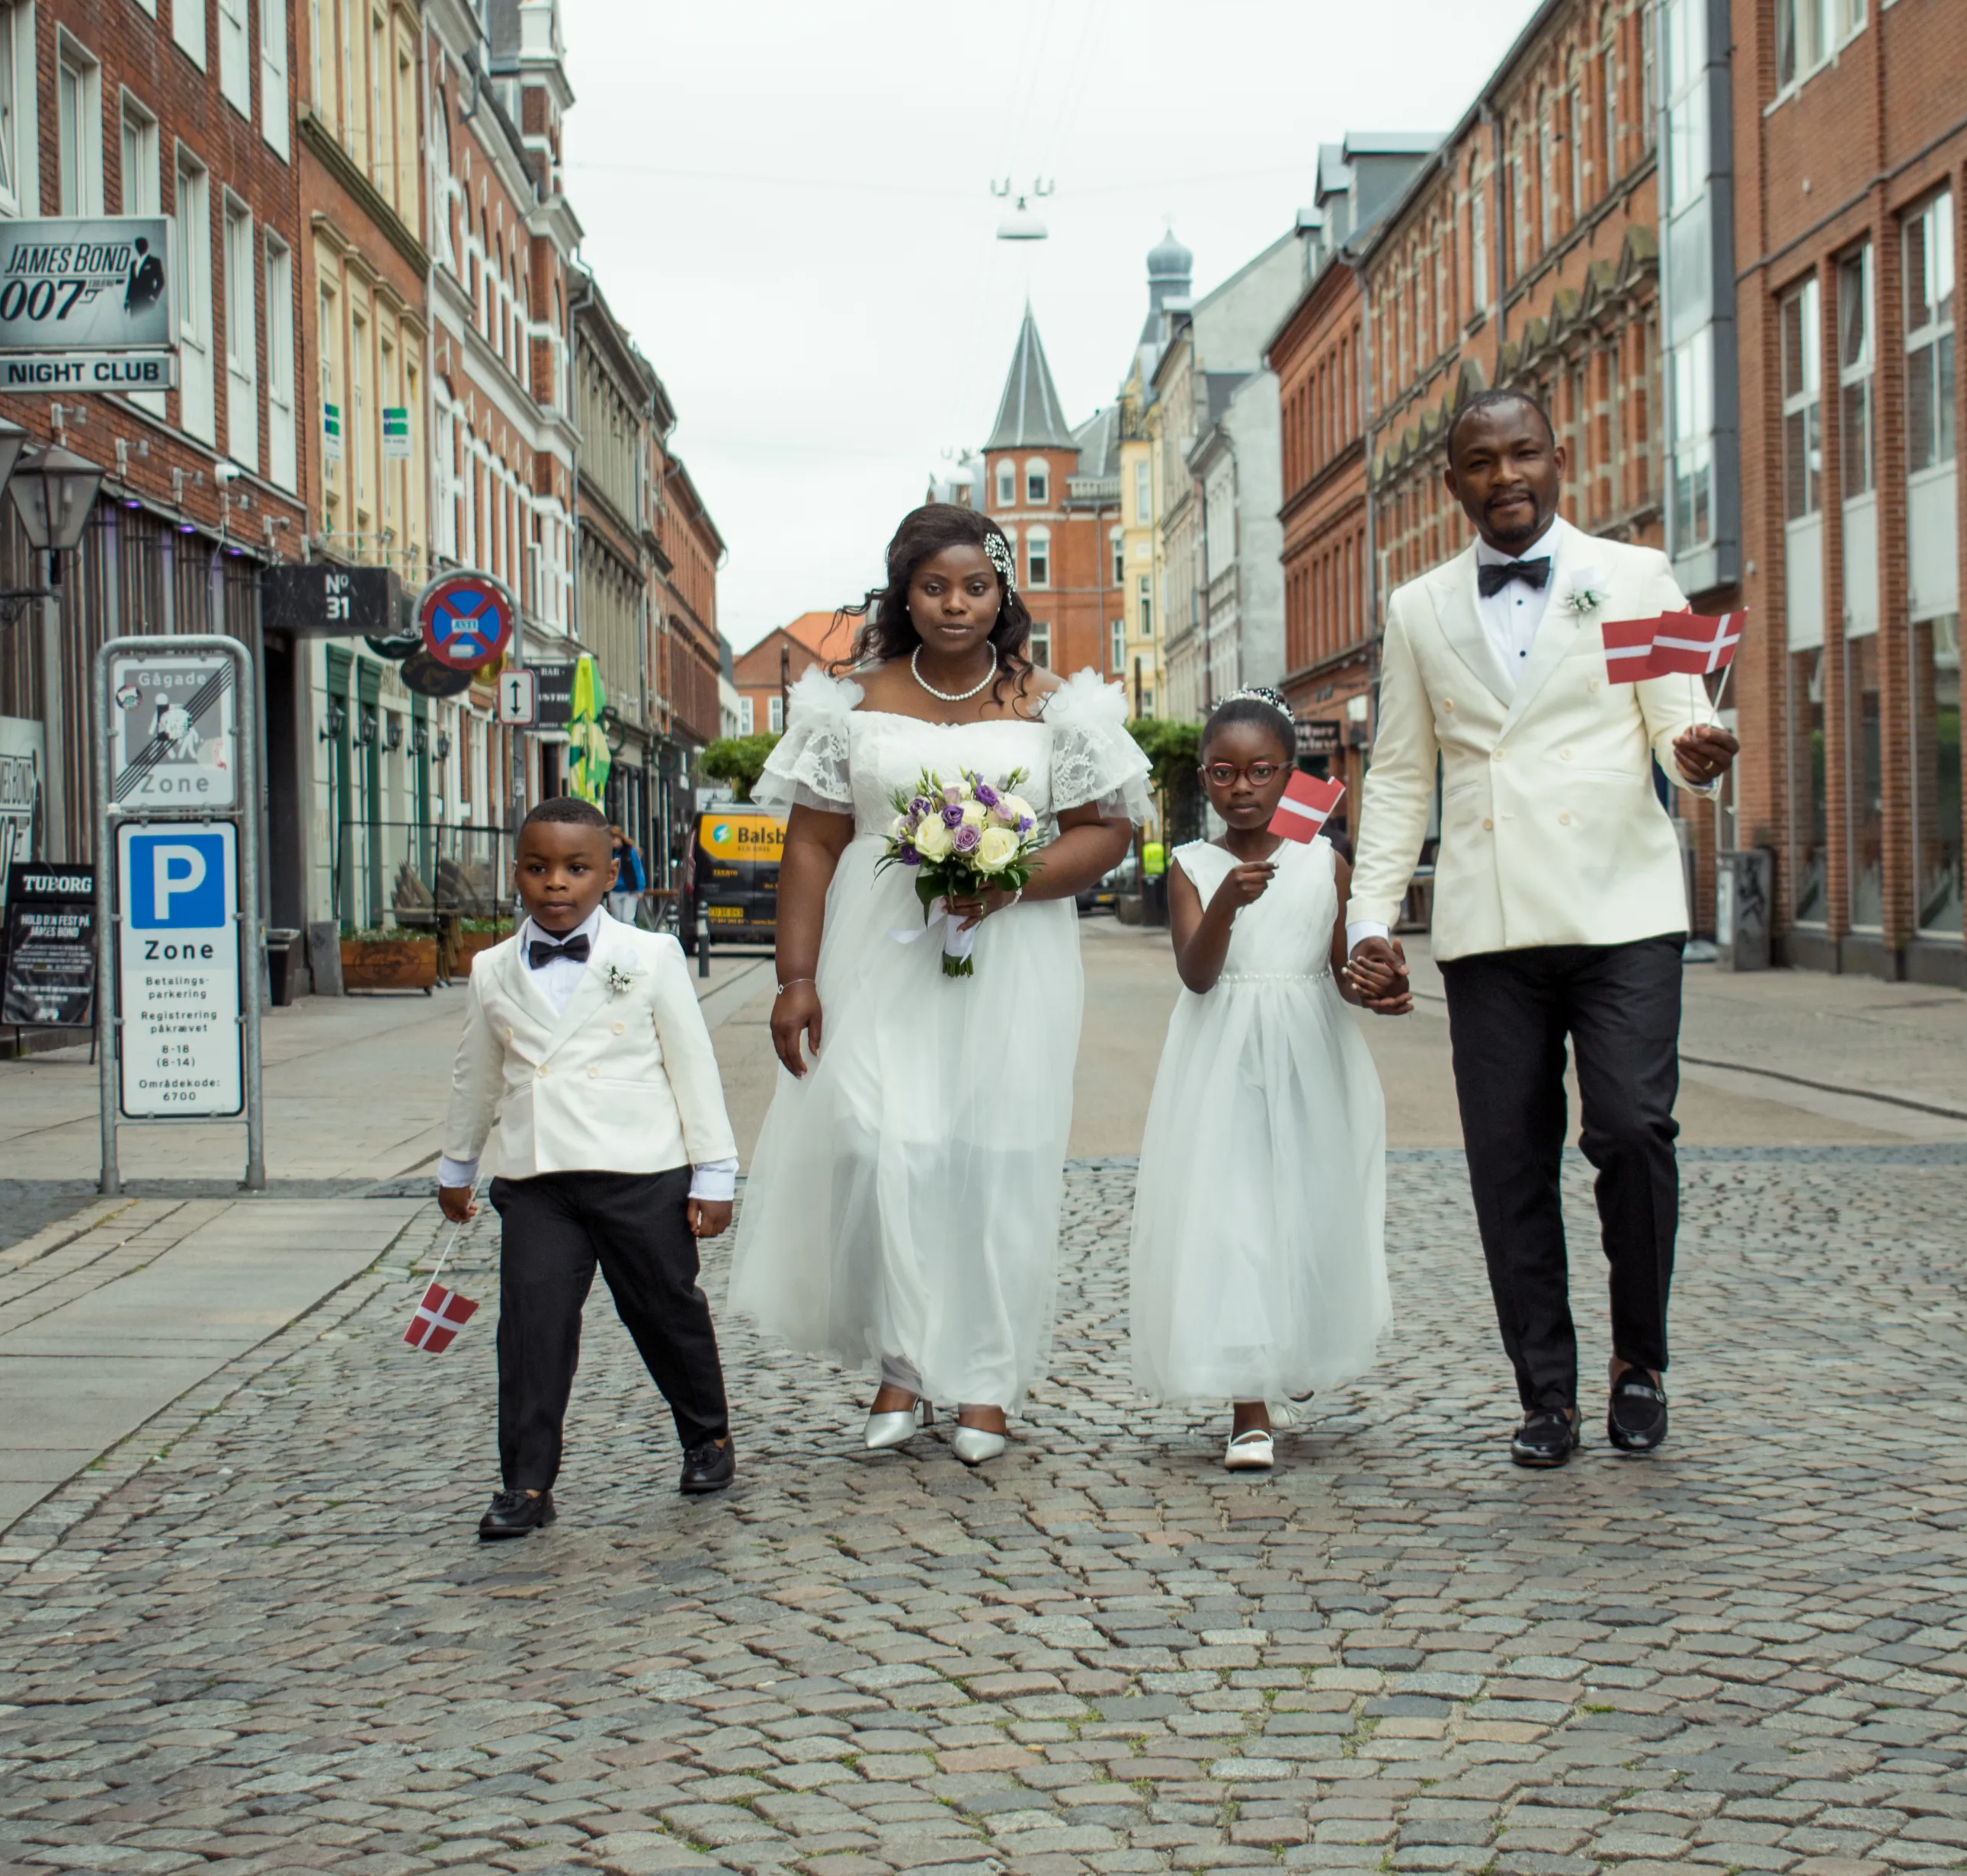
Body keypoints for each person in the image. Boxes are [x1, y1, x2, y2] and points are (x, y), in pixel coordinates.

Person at [1346, 388, 1739, 1470]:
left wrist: (1702, 748)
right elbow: (1398, 778)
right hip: (1492, 921)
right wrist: (1368, 921)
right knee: (1508, 1163)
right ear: (1453, 483)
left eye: (1523, 454)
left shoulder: (1634, 576)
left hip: (1622, 908)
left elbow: (1679, 720)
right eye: (1481, 462)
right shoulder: (1418, 606)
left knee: (1630, 1130)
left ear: (1558, 459)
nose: (1505, 476)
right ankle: (1547, 1396)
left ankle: (1641, 1362)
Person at [730, 503, 1151, 1466]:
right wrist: (796, 976)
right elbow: (812, 843)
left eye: (975, 586)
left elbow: (1105, 829)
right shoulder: (847, 702)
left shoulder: (1057, 705)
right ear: (904, 594)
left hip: (1012, 959)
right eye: (933, 586)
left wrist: (1011, 879)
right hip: (879, 957)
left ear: (1002, 593)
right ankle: (904, 1360)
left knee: (995, 1160)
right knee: (885, 1147)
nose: (955, 604)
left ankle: (988, 1379)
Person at [437, 798, 740, 1540]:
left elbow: (692, 1066)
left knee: (664, 1308)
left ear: (610, 872)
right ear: (517, 875)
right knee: (532, 1327)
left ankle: (708, 1434)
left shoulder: (649, 956)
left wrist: (715, 1172)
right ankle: (527, 1483)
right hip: (538, 1176)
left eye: (576, 868)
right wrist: (458, 1163)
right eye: (538, 869)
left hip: (639, 1168)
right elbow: (475, 1074)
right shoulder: (493, 969)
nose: (556, 885)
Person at [1128, 690, 1405, 1470]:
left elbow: (1344, 973)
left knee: (1306, 1210)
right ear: (1204, 775)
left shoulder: (1326, 861)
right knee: (1237, 1218)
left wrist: (1377, 984)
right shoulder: (1190, 865)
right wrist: (1224, 904)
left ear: (1291, 774)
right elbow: (1198, 974)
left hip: (1313, 1054)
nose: (1241, 788)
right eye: (1222, 772)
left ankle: (1291, 1355)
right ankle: (1247, 1404)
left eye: (1260, 771)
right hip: (1223, 1061)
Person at [608, 831, 646, 923]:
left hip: (630, 890)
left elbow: (638, 870)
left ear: (620, 839)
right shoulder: (609, 853)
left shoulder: (630, 851)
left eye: (615, 839)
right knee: (617, 920)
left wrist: (640, 888)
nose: (613, 842)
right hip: (615, 890)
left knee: (627, 919)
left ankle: (631, 937)